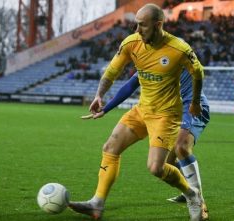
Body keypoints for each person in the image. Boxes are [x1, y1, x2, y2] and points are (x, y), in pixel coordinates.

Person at [69, 3, 204, 221]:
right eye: (136, 24)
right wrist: (99, 95)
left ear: (158, 25)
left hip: (166, 115)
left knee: (156, 168)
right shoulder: (132, 43)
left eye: (142, 25)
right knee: (110, 147)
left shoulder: (179, 49)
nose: (137, 30)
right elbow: (112, 71)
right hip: (142, 110)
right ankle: (97, 203)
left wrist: (195, 101)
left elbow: (198, 72)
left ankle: (192, 194)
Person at [89, 69, 210, 220]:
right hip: (168, 110)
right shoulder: (148, 57)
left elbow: (195, 84)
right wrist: (105, 108)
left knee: (181, 147)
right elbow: (131, 84)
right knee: (167, 163)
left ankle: (199, 201)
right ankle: (188, 191)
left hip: (192, 106)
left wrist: (185, 123)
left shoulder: (177, 54)